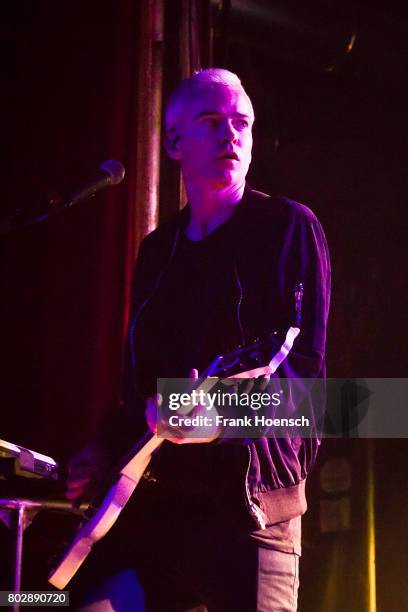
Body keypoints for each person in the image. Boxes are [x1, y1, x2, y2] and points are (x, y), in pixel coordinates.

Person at [66, 68, 330, 611]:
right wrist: (102, 447)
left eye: (241, 124)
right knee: (42, 600)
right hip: (155, 516)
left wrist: (218, 418)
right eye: (211, 122)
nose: (229, 135)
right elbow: (141, 391)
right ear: (174, 142)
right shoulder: (158, 252)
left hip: (248, 522)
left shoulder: (287, 229)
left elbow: (318, 399)